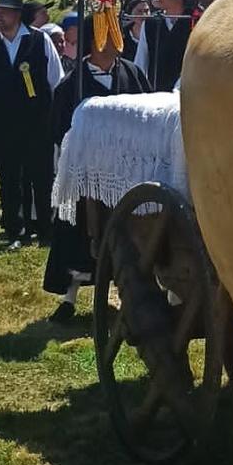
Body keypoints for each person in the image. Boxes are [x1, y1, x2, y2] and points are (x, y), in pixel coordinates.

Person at [43, 24, 150, 325]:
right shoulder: (71, 84)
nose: (117, 43)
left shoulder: (132, 74)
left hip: (125, 171)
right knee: (78, 233)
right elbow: (59, 130)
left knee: (128, 231)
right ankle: (70, 297)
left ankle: (129, 291)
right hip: (87, 173)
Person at [0, 0, 64, 250]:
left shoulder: (41, 41)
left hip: (38, 124)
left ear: (18, 15)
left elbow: (57, 83)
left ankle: (45, 228)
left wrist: (59, 124)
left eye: (3, 12)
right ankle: (15, 230)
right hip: (2, 125)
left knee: (41, 178)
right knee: (10, 180)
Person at [134, 0, 194, 91]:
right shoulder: (151, 23)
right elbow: (140, 62)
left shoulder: (194, 22)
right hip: (156, 95)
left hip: (188, 95)